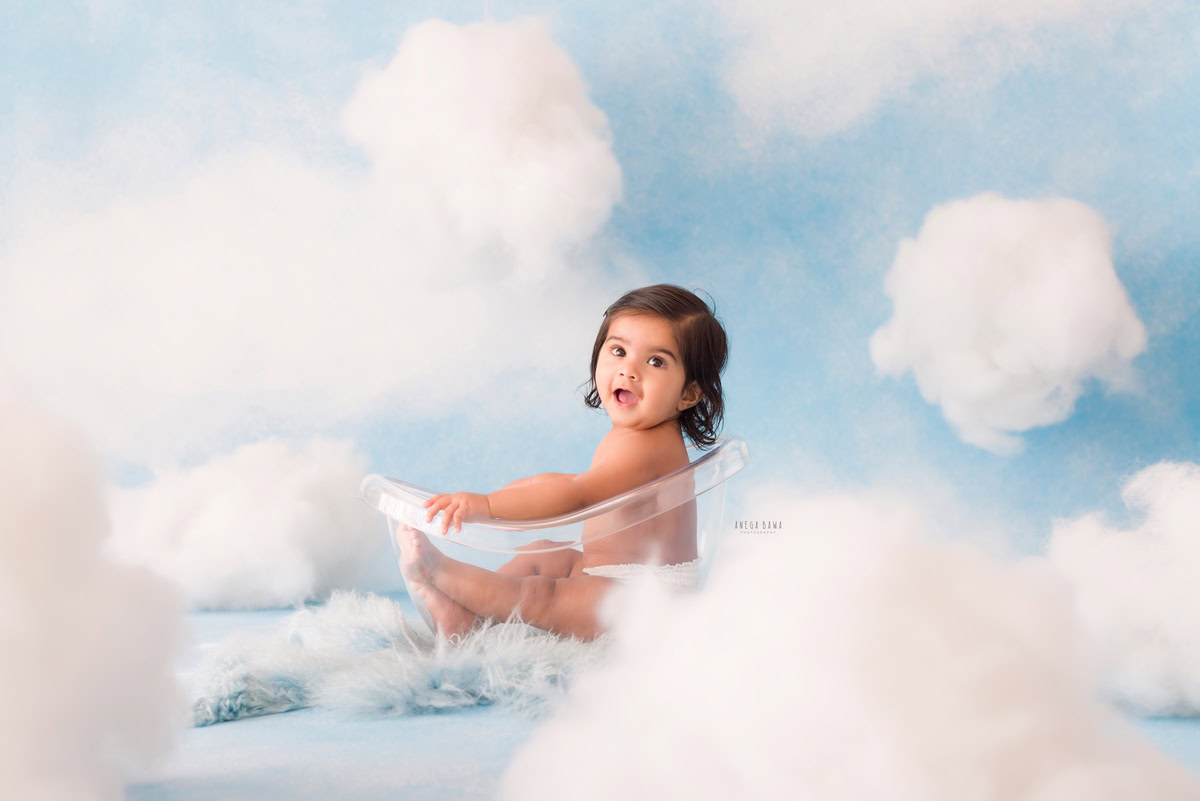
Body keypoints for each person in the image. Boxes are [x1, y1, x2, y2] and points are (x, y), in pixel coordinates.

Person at [398, 283, 728, 641]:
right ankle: (469, 616)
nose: (628, 371)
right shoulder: (638, 436)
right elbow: (572, 482)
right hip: (608, 573)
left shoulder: (649, 448)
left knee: (542, 595)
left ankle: (439, 574)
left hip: (644, 599)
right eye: (618, 351)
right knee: (543, 555)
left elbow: (576, 494)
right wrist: (500, 494)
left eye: (655, 361)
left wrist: (490, 505)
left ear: (688, 393)